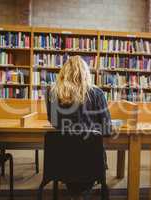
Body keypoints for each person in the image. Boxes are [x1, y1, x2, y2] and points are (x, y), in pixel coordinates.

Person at [45, 56, 111, 200]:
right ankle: (82, 192)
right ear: (86, 73)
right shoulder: (97, 93)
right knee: (90, 155)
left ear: (63, 72)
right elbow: (106, 129)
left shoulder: (52, 92)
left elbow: (54, 122)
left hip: (62, 160)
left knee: (72, 168)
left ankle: (75, 193)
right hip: (91, 160)